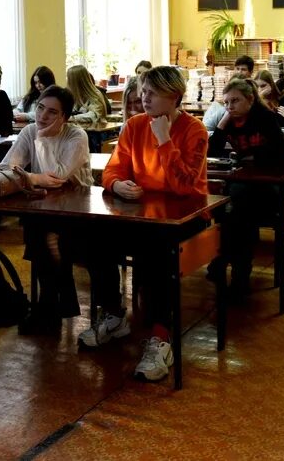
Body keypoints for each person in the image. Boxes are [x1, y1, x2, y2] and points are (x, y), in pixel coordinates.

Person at [82, 66, 208, 382]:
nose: (144, 97)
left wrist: (164, 140)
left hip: (186, 218)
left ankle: (161, 336)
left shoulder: (195, 131)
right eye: (143, 91)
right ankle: (114, 314)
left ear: (174, 97)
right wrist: (117, 185)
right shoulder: (135, 126)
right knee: (94, 237)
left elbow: (184, 187)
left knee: (155, 251)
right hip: (142, 215)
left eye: (152, 92)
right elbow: (112, 170)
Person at [0, 85, 92, 332]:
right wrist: (34, 178)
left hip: (78, 207)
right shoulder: (29, 130)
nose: (42, 116)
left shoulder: (76, 136)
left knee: (44, 234)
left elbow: (58, 177)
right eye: (40, 108)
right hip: (45, 205)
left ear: (65, 117)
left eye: (52, 112)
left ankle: (49, 305)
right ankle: (55, 304)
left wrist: (41, 141)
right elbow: (6, 168)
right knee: (40, 230)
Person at [208, 78, 284, 299]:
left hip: (268, 187)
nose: (230, 106)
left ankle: (227, 263)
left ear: (250, 99)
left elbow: (282, 153)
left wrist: (255, 157)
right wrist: (222, 123)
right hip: (241, 188)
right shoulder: (229, 121)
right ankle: (237, 270)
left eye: (235, 101)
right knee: (233, 211)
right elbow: (212, 151)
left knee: (238, 211)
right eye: (226, 102)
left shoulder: (265, 118)